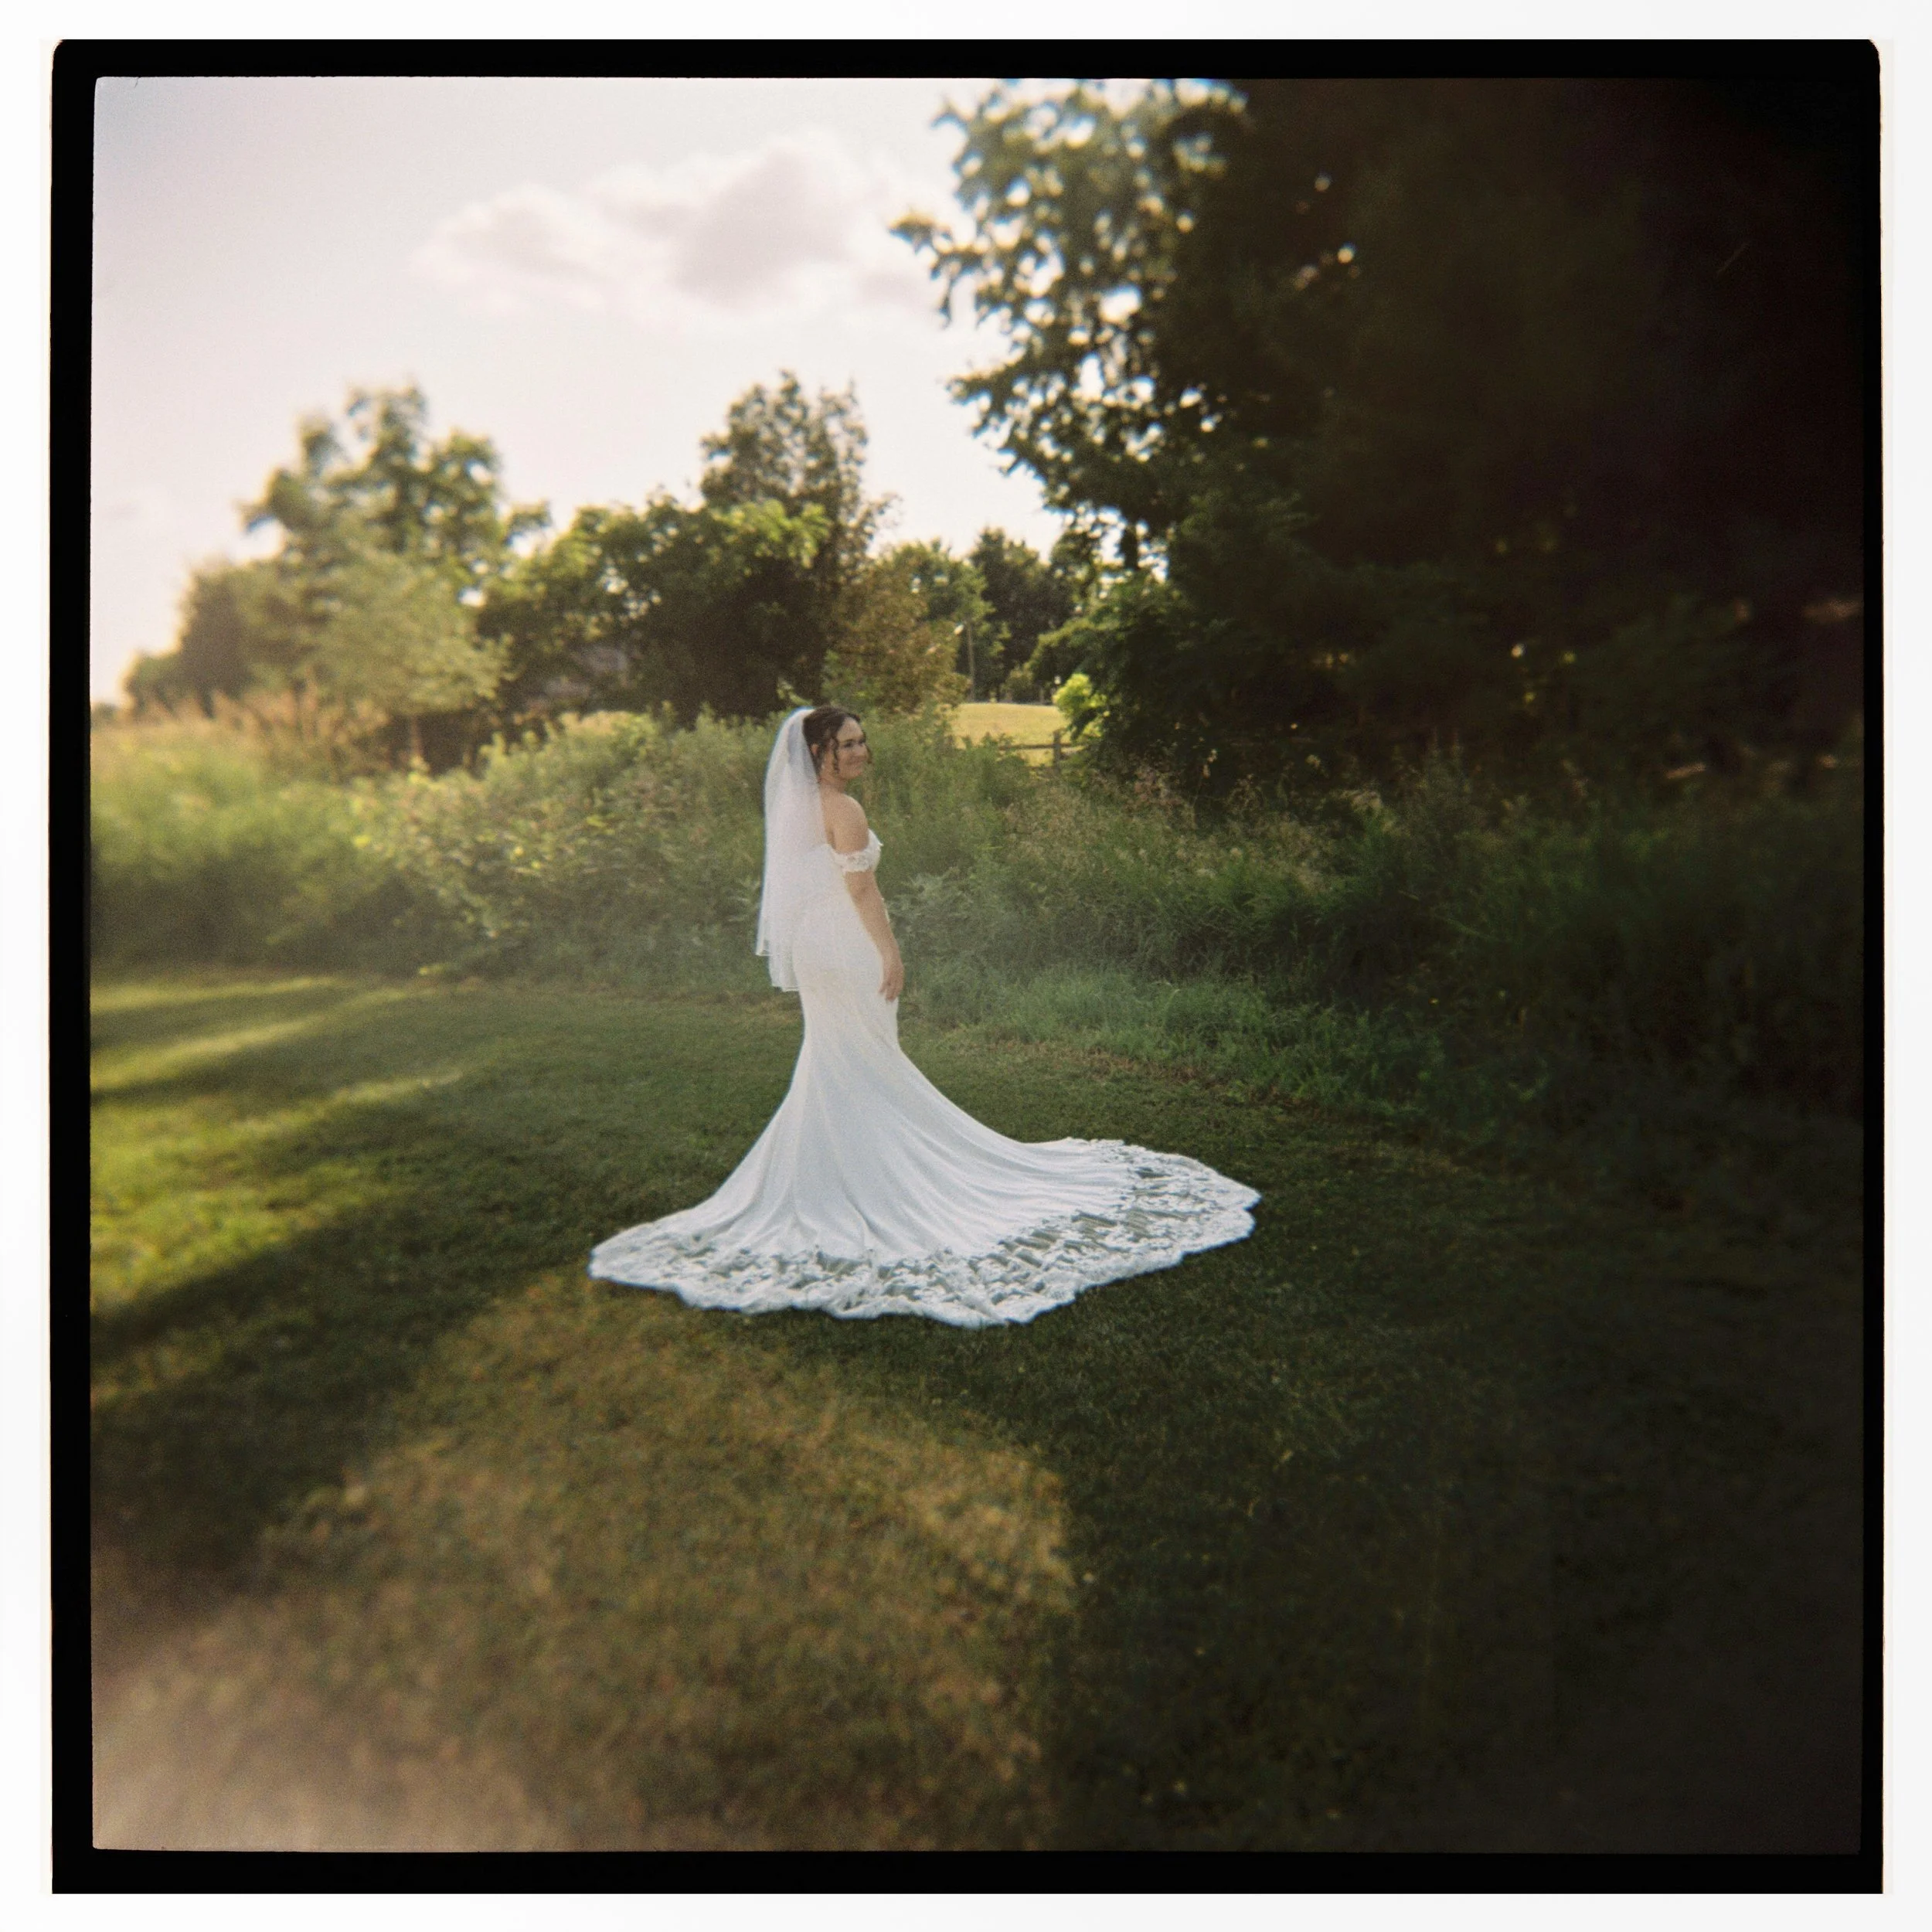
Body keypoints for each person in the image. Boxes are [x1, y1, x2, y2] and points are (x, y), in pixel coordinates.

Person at [588, 704, 1258, 1326]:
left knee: (841, 1062)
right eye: (847, 743)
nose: (860, 751)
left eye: (861, 740)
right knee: (868, 1061)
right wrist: (890, 953)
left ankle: (838, 1176)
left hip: (816, 947)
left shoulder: (797, 806)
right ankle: (876, 1183)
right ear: (819, 750)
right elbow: (863, 889)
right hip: (848, 944)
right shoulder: (842, 809)